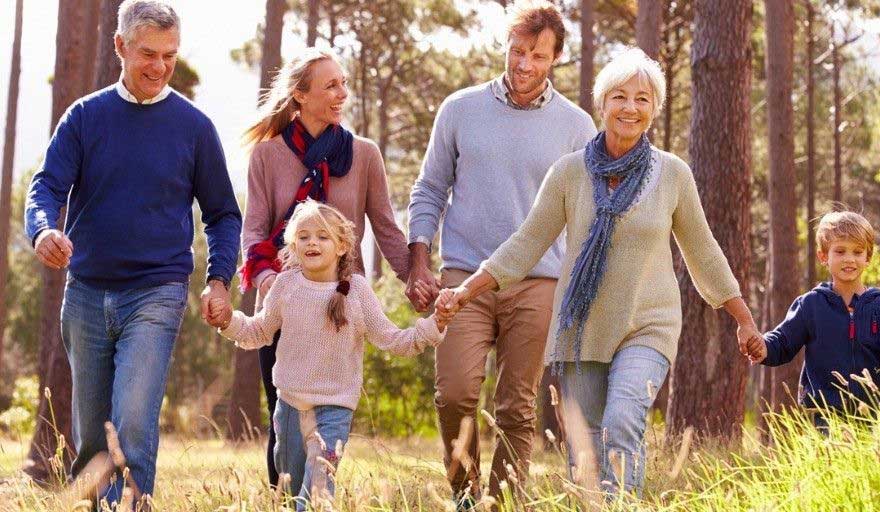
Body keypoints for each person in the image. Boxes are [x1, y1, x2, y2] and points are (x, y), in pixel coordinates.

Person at [437, 48, 761, 494]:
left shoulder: (673, 175)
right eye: (620, 96)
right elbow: (527, 243)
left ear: (654, 110)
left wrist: (743, 319)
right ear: (602, 103)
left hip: (648, 325)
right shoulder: (569, 174)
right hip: (582, 329)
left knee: (623, 419)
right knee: (585, 451)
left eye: (642, 99)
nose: (630, 107)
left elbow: (703, 251)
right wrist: (466, 290)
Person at [22, 0, 241, 503]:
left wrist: (218, 280)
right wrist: (41, 232)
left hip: (157, 291)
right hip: (86, 295)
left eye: (170, 55)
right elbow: (46, 187)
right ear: (120, 46)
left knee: (135, 421)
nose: (160, 67)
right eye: (148, 53)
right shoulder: (84, 117)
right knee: (94, 440)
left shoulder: (194, 128)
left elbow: (224, 214)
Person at [405, 0, 597, 504]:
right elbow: (429, 189)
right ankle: (466, 497)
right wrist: (418, 260)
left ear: (555, 57)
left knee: (516, 406)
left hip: (538, 281)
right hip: (463, 277)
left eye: (537, 54)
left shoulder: (577, 128)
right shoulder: (460, 109)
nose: (524, 65)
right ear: (505, 48)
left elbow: (587, 214)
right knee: (455, 393)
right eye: (516, 51)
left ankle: (504, 501)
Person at [239, 47, 413, 487]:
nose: (342, 93)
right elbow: (254, 232)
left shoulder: (365, 155)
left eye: (343, 83)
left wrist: (415, 278)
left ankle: (317, 496)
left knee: (330, 422)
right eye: (331, 85)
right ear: (300, 95)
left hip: (340, 306)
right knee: (283, 420)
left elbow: (387, 228)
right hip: (285, 306)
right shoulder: (266, 156)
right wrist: (272, 285)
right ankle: (282, 496)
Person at [209, 201, 450, 510]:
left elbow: (395, 341)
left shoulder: (357, 292)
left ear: (341, 245)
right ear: (294, 245)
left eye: (322, 236)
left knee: (318, 494)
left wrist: (436, 324)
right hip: (290, 407)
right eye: (304, 236)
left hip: (334, 411)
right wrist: (229, 321)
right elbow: (258, 331)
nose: (312, 242)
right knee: (292, 491)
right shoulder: (285, 285)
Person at [751, 211, 880, 430]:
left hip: (868, 413)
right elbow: (783, 341)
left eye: (857, 252)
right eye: (840, 251)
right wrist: (763, 347)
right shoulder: (811, 305)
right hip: (823, 414)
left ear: (867, 257)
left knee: (864, 462)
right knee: (828, 462)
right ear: (824, 257)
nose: (849, 259)